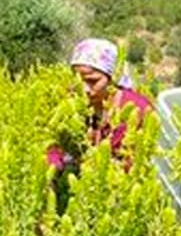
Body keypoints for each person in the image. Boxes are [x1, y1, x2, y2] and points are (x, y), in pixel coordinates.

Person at [47, 38, 153, 213]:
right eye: (78, 80)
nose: (85, 89)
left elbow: (138, 162)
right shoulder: (70, 105)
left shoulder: (137, 108)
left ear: (111, 78)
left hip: (122, 200)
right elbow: (54, 148)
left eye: (92, 81)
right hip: (77, 197)